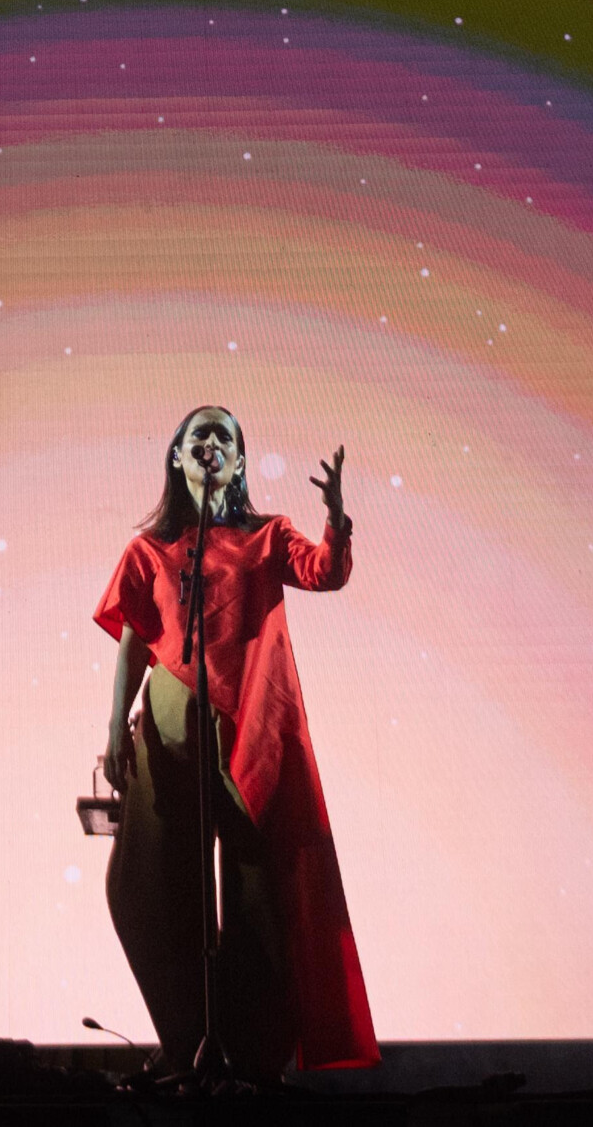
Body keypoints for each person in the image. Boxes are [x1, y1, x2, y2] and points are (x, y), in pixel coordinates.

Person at [93, 405, 381, 1081]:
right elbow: (135, 639)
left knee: (259, 895)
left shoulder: (266, 535)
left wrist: (335, 519)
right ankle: (186, 1040)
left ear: (240, 461)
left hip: (247, 735)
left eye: (226, 435)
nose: (214, 443)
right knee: (152, 889)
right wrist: (113, 726)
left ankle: (252, 1057)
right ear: (178, 456)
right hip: (167, 743)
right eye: (201, 435)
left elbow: (325, 572)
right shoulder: (148, 551)